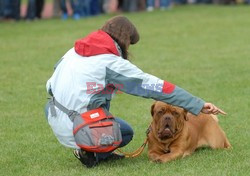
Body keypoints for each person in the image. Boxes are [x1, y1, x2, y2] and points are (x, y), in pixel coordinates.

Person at [45, 15, 226, 168]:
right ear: (125, 41)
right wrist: (198, 104)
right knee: (125, 132)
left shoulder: (72, 52)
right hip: (80, 128)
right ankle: (91, 152)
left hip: (54, 117)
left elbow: (49, 86)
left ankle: (88, 145)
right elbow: (156, 87)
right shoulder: (110, 62)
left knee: (98, 102)